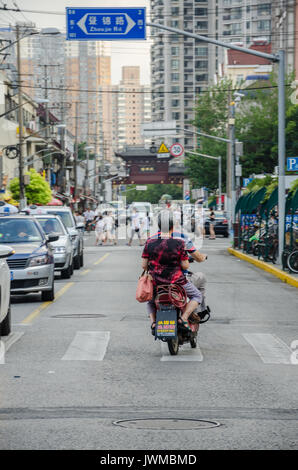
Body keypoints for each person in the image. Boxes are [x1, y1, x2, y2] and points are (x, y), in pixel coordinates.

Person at [141, 210, 202, 335]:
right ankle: (184, 318)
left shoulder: (150, 242)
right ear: (172, 226)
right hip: (177, 282)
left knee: (150, 301)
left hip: (156, 282)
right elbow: (185, 265)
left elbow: (144, 265)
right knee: (197, 296)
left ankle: (153, 322)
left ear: (158, 226)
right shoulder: (180, 241)